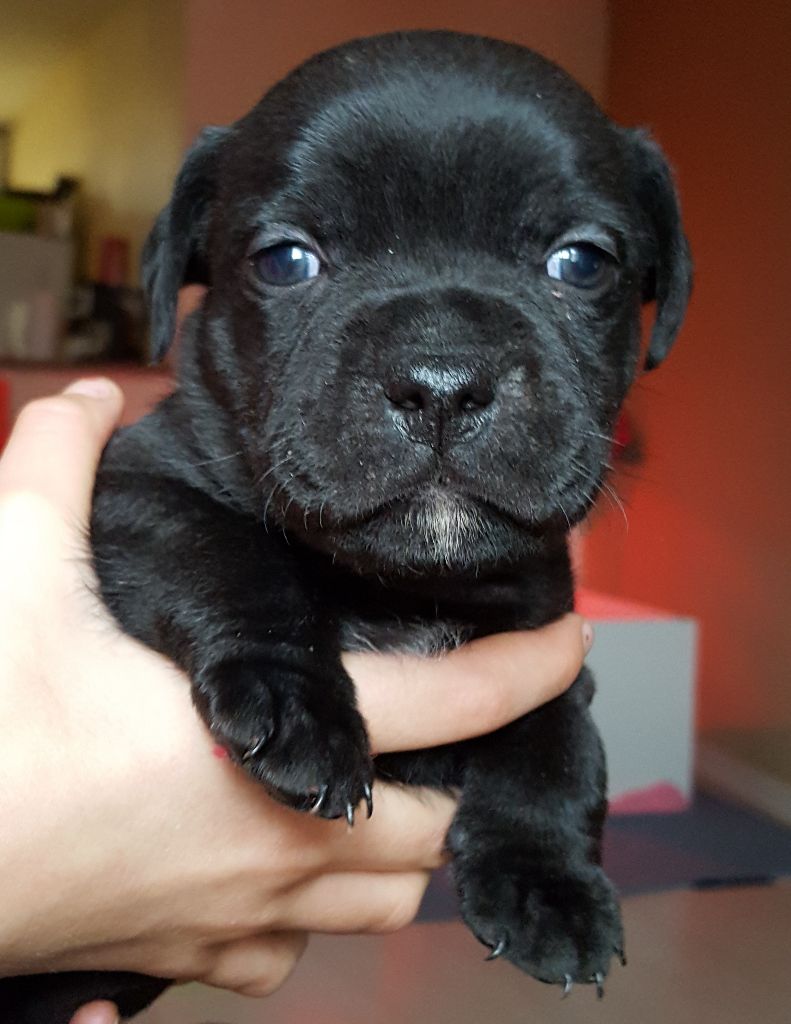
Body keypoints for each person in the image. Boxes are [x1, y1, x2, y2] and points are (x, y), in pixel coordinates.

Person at [0, 379, 592, 1024]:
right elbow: (137, 511)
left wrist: (536, 822)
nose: (439, 375)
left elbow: (500, 710)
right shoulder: (195, 469)